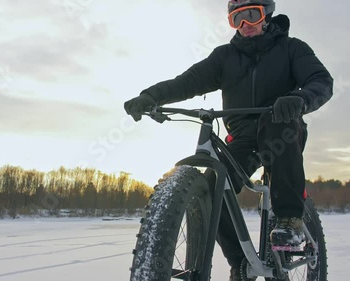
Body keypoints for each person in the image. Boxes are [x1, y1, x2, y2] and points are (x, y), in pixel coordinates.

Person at [124, 0, 333, 280]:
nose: (245, 24)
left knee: (275, 126)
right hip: (243, 139)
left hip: (282, 127)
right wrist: (151, 96)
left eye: (251, 15)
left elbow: (320, 80)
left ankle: (289, 220)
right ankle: (241, 263)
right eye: (237, 19)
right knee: (213, 187)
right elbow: (188, 81)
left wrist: (299, 98)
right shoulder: (225, 57)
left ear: (266, 15)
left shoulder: (292, 48)